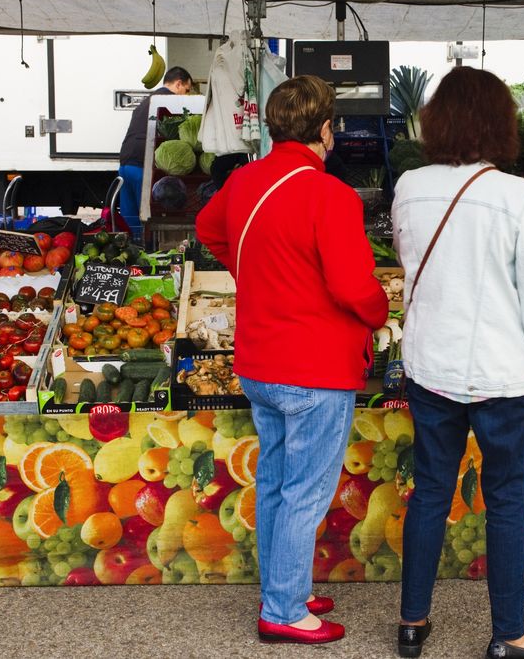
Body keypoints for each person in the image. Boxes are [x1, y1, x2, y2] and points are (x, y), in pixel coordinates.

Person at [196, 75, 388, 646]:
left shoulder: (243, 179)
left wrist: (253, 272)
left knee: (279, 485)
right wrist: (380, 314)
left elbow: (209, 230)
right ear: (326, 129)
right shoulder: (332, 195)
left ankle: (286, 588)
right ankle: (282, 612)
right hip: (315, 368)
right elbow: (355, 287)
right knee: (304, 492)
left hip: (259, 362)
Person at [391, 67, 524, 659]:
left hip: (429, 367)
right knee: (506, 500)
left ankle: (412, 623)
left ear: (436, 120)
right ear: (501, 123)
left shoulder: (409, 187)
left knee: (431, 492)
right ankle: (510, 635)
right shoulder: (518, 196)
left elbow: (411, 265)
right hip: (499, 373)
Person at [117, 66, 194, 233]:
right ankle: (148, 252)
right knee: (147, 217)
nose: (186, 96)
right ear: (178, 84)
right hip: (141, 163)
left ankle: (131, 250)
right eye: (187, 90)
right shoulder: (169, 101)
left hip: (125, 162)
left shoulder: (148, 99)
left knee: (129, 219)